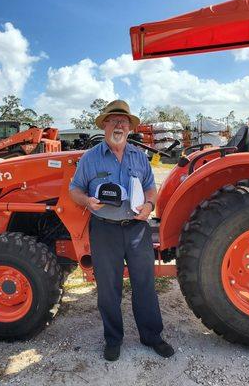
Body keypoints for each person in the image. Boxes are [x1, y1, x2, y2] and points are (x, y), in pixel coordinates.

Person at [69, 100, 175, 361]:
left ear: (129, 127)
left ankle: (152, 336)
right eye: (114, 120)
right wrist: (87, 201)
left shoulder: (139, 157)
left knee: (145, 284)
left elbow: (151, 186)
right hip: (104, 230)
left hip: (137, 228)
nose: (119, 125)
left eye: (123, 121)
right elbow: (75, 189)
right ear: (105, 124)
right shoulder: (90, 158)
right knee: (108, 288)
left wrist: (149, 204)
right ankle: (113, 339)